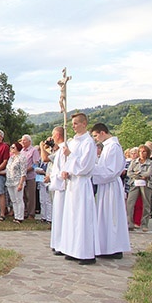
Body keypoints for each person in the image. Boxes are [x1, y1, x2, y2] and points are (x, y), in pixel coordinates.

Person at [57, 113, 98, 265]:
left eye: (75, 123)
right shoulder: (73, 142)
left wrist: (71, 156)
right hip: (72, 183)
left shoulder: (88, 142)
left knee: (82, 217)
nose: (73, 126)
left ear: (84, 124)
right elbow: (68, 161)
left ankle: (86, 252)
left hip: (82, 183)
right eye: (72, 123)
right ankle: (73, 249)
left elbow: (85, 165)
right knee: (72, 217)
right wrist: (66, 170)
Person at [90, 123, 131, 259]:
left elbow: (111, 171)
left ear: (102, 132)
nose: (95, 139)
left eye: (96, 135)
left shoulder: (113, 147)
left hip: (110, 186)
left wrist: (91, 168)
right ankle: (105, 246)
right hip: (105, 185)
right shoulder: (108, 146)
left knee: (111, 216)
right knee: (104, 215)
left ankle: (114, 247)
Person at [126, 144, 152, 232]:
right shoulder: (134, 162)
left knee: (146, 203)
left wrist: (139, 174)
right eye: (140, 152)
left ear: (147, 153)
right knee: (130, 203)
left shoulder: (150, 162)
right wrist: (138, 175)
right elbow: (129, 173)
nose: (142, 153)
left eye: (144, 152)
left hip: (146, 184)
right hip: (134, 183)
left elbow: (148, 173)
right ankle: (129, 223)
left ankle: (144, 224)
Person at [47, 126, 67, 255]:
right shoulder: (59, 150)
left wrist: (58, 176)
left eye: (53, 135)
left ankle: (62, 243)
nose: (52, 138)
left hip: (63, 185)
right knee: (57, 213)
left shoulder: (65, 149)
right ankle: (57, 242)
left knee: (62, 213)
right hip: (57, 183)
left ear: (58, 135)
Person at [5, 142, 26, 223]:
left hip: (18, 181)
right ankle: (16, 215)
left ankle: (20, 217)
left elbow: (23, 172)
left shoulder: (22, 157)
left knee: (19, 199)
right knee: (13, 200)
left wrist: (21, 183)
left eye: (13, 147)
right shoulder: (11, 158)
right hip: (10, 181)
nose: (11, 149)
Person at [20, 134, 40, 220]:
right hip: (22, 176)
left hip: (30, 176)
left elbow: (36, 164)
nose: (23, 142)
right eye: (22, 140)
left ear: (29, 141)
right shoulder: (22, 151)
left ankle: (31, 213)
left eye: (24, 140)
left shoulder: (34, 150)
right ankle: (24, 212)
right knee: (23, 195)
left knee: (31, 195)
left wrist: (27, 170)